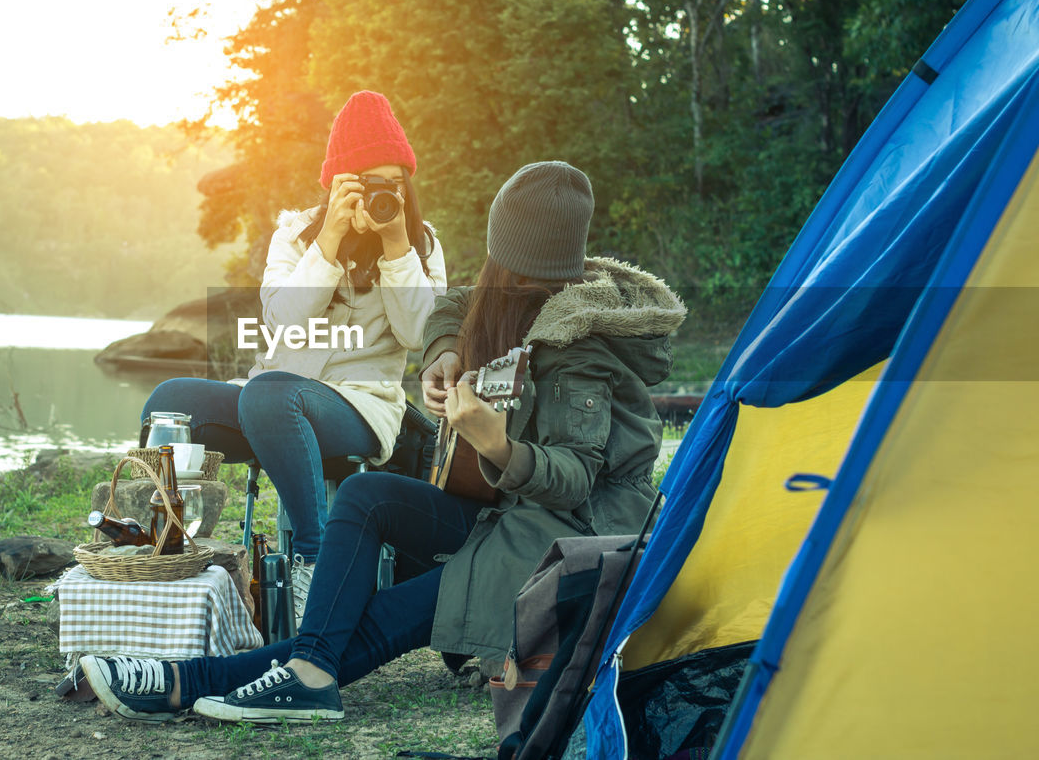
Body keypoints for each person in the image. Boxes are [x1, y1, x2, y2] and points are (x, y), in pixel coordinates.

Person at [88, 160, 686, 724]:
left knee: (382, 621)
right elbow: (455, 303)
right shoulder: (522, 295)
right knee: (368, 495)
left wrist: (497, 446)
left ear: (526, 259)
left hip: (568, 536)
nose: (494, 274)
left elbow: (576, 480)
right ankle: (295, 672)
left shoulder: (582, 348)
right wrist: (444, 351)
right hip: (506, 510)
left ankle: (183, 682)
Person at [140, 91, 446, 622]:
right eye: (366, 184)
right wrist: (328, 242)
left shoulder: (420, 244)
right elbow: (284, 325)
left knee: (269, 393)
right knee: (168, 403)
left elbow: (419, 333)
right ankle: (169, 554)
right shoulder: (298, 234)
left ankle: (313, 562)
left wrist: (398, 247)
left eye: (392, 185)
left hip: (359, 408)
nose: (381, 197)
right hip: (275, 399)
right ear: (336, 185)